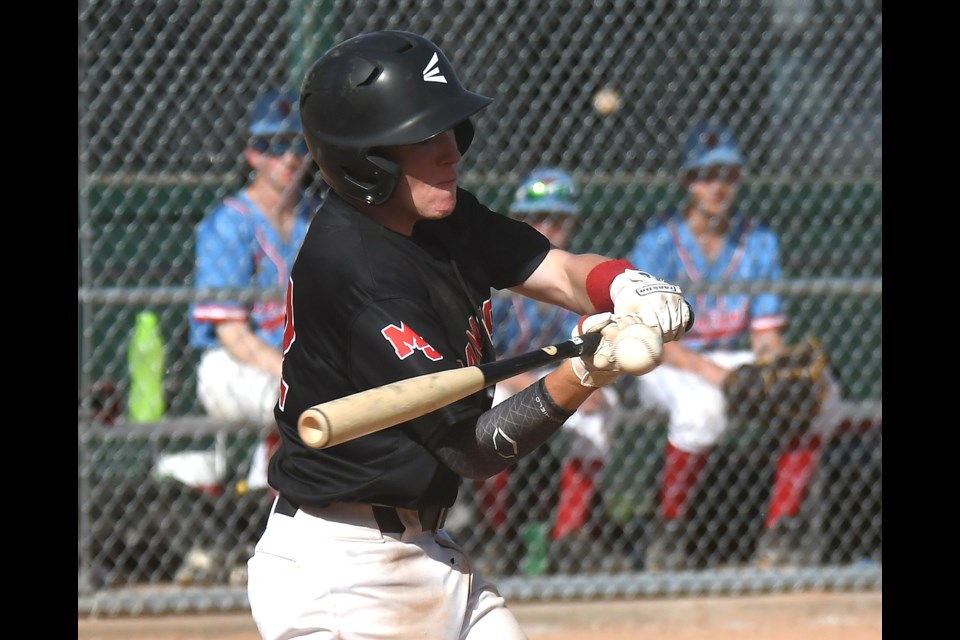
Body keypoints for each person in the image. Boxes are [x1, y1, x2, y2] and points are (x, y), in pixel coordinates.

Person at [246, 30, 691, 640]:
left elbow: (555, 269)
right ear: (366, 158)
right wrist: (588, 371)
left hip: (431, 548)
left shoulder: (439, 214)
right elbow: (471, 448)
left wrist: (627, 286)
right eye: (425, 138)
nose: (452, 151)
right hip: (342, 570)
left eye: (451, 130)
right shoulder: (357, 271)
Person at [627, 121, 841, 570]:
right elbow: (647, 336)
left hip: (728, 354)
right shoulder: (658, 242)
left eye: (726, 175)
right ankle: (668, 533)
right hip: (666, 360)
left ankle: (781, 532)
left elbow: (765, 332)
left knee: (821, 399)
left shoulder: (758, 239)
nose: (717, 186)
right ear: (688, 183)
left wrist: (769, 367)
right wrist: (717, 375)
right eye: (706, 176)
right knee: (702, 409)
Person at [173, 89, 320, 584]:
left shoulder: (315, 219)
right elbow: (231, 333)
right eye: (274, 147)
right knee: (299, 404)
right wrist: (290, 371)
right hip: (232, 365)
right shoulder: (229, 223)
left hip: (295, 362)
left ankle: (268, 537)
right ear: (253, 154)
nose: (289, 158)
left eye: (297, 146)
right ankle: (272, 536)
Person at [476, 167, 621, 576]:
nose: (547, 228)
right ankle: (495, 533)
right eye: (536, 219)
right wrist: (525, 381)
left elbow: (589, 347)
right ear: (517, 221)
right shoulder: (493, 275)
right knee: (490, 410)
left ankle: (568, 536)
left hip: (557, 379)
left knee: (603, 406)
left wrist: (587, 384)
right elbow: (476, 358)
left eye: (558, 219)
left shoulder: (576, 277)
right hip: (500, 379)